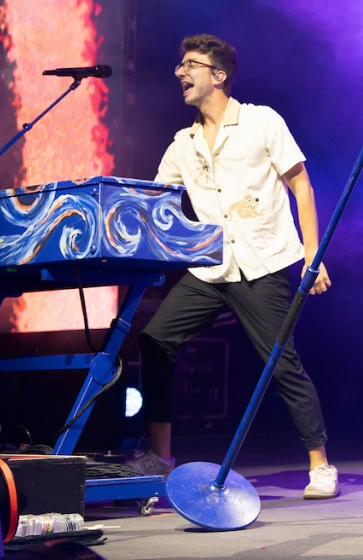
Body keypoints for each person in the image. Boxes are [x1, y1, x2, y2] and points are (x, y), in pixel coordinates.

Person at [127, 33, 340, 500]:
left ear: (219, 75)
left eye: (191, 64)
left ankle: (320, 463)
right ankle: (160, 456)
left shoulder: (262, 121)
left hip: (262, 263)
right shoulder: (183, 143)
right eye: (179, 65)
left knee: (279, 361)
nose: (180, 72)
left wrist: (312, 254)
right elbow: (155, 202)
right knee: (155, 339)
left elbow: (301, 186)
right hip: (210, 268)